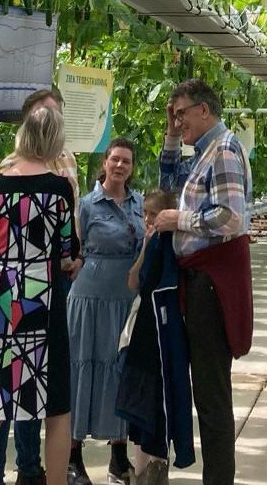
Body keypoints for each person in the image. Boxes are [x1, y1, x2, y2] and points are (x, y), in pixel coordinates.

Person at [0, 106, 77, 485]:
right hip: (43, 299)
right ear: (56, 140)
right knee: (56, 408)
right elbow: (68, 248)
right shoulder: (59, 188)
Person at [154, 79, 253, 485]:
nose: (178, 121)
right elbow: (168, 186)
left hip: (212, 284)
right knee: (207, 391)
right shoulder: (203, 153)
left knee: (212, 394)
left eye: (182, 114)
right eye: (174, 115)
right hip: (200, 281)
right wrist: (170, 134)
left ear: (204, 110)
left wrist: (180, 220)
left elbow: (231, 217)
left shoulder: (224, 150)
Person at [68, 138, 144, 485]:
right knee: (83, 369)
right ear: (105, 163)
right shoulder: (86, 205)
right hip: (90, 299)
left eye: (126, 161)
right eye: (115, 159)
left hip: (126, 298)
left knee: (120, 371)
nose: (120, 166)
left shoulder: (139, 203)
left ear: (132, 167)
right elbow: (75, 248)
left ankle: (118, 456)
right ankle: (73, 457)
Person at [117, 190, 195, 485]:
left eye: (154, 213)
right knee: (142, 405)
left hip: (161, 327)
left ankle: (156, 468)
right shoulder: (151, 242)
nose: (149, 220)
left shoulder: (173, 243)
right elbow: (133, 280)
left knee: (159, 398)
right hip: (144, 327)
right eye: (145, 214)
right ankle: (142, 472)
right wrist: (145, 247)